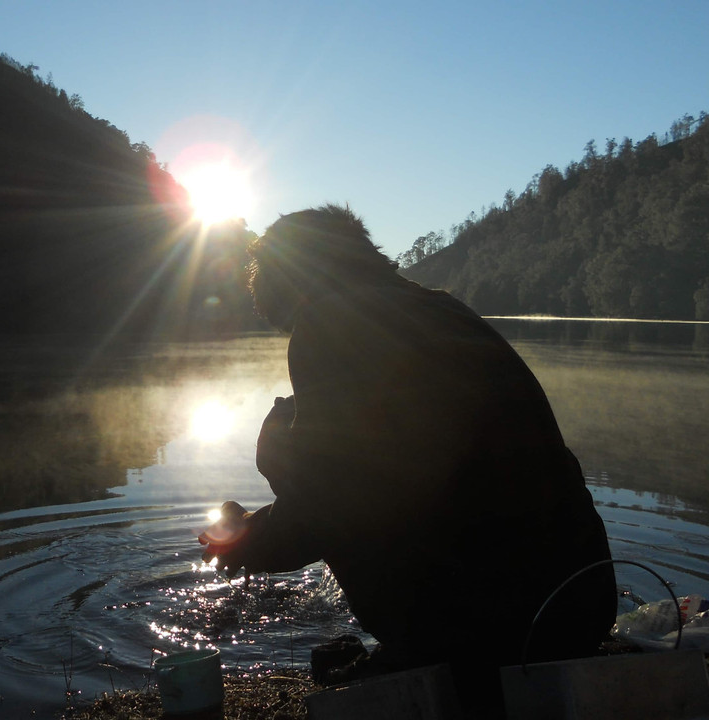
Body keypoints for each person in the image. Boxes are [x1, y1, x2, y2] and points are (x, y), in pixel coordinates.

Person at [198, 205, 615, 716]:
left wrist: (246, 539)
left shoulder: (328, 322)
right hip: (582, 603)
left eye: (260, 273)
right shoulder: (441, 308)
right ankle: (432, 643)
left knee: (281, 437)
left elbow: (335, 500)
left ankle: (425, 650)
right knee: (304, 433)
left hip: (494, 630)